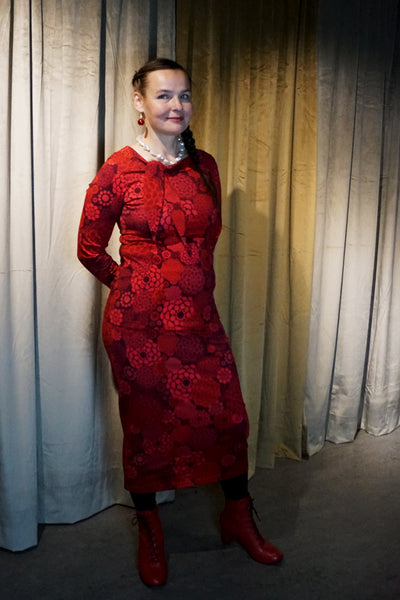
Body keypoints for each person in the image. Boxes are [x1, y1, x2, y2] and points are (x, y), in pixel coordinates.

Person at [77, 57, 283, 587]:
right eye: (164, 95)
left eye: (184, 95)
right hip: (138, 330)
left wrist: (188, 285)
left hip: (198, 323)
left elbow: (207, 240)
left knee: (228, 419)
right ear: (140, 102)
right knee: (146, 431)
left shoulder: (205, 166)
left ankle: (237, 515)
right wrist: (133, 285)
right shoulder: (118, 170)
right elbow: (89, 248)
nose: (176, 105)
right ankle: (150, 530)